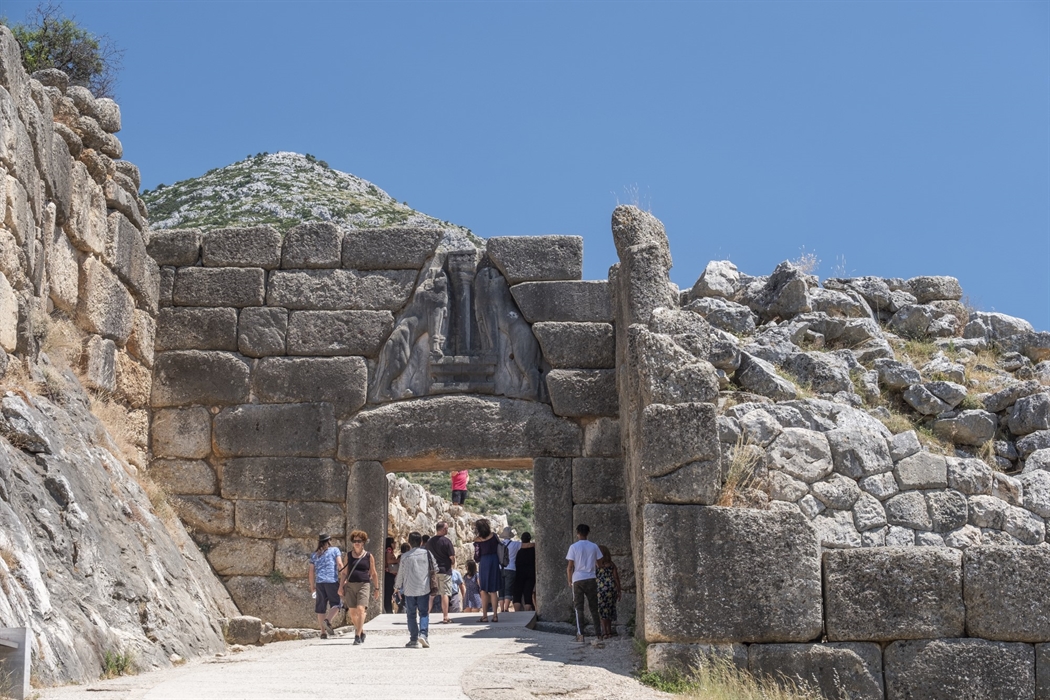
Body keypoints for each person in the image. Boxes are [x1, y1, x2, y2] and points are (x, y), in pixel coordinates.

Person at [393, 531, 437, 648]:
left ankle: (413, 639)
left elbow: (400, 574)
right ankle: (423, 635)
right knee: (423, 613)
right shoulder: (427, 554)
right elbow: (435, 568)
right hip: (423, 588)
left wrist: (397, 587)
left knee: (411, 614)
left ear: (409, 542)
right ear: (421, 541)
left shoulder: (405, 556)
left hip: (409, 589)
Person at [340, 529, 381, 645]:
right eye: (354, 540)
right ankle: (361, 631)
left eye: (359, 541)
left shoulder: (369, 556)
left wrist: (377, 588)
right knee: (352, 612)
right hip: (350, 585)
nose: (356, 543)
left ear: (363, 542)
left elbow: (373, 573)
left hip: (364, 584)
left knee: (361, 610)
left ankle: (357, 635)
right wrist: (340, 587)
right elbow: (344, 572)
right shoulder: (348, 556)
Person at [566, 523, 602, 642]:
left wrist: (569, 580)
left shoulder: (573, 547)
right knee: (594, 608)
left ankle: (580, 634)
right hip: (591, 578)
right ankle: (599, 634)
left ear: (577, 533)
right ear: (588, 533)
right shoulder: (594, 546)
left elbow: (570, 566)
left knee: (579, 608)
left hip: (578, 579)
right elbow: (599, 563)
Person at [308, 533, 343, 639]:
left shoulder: (314, 555)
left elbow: (311, 572)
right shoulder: (335, 550)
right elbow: (340, 564)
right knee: (338, 603)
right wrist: (344, 578)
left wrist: (312, 586)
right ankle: (327, 620)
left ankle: (322, 633)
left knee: (320, 608)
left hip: (319, 583)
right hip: (331, 581)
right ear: (329, 541)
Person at [426, 521, 457, 624]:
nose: (447, 530)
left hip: (433, 571)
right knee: (445, 594)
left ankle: (425, 615)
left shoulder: (429, 542)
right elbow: (451, 557)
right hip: (444, 570)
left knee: (431, 594)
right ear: (443, 529)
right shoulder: (446, 541)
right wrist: (452, 563)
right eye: (447, 528)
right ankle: (445, 617)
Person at [472, 518, 501, 622]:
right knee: (493, 590)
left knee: (483, 590)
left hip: (484, 562)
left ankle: (484, 615)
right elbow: (499, 547)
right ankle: (495, 615)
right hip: (494, 560)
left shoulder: (478, 540)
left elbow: (477, 556)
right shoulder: (494, 536)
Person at [595, 544, 622, 639]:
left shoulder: (596, 565)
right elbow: (616, 577)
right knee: (609, 610)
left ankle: (604, 632)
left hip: (600, 590)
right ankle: (609, 631)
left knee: (602, 611)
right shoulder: (611, 564)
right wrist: (619, 590)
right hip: (611, 589)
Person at [498, 527, 521, 613]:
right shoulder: (515, 544)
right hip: (511, 568)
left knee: (501, 589)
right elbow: (524, 545)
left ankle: (501, 608)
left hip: (500, 568)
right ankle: (506, 608)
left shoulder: (499, 544)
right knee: (508, 588)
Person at [512, 532, 536, 612]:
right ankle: (527, 611)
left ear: (522, 539)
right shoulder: (533, 550)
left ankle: (517, 612)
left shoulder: (519, 550)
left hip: (519, 573)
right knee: (528, 592)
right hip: (530, 573)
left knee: (517, 593)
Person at [394, 543, 411, 613]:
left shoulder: (399, 557)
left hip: (400, 578)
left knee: (401, 596)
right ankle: (405, 610)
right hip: (407, 579)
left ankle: (401, 609)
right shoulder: (408, 557)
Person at [384, 537, 398, 614]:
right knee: (388, 594)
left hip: (388, 575)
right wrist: (397, 560)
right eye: (394, 542)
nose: (395, 544)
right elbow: (389, 560)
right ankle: (388, 611)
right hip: (389, 575)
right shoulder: (389, 549)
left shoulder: (388, 550)